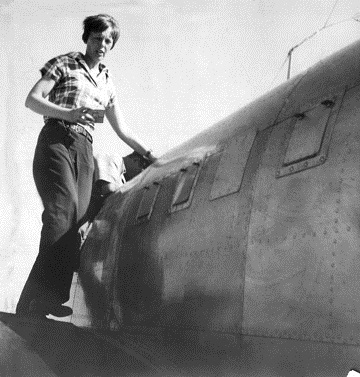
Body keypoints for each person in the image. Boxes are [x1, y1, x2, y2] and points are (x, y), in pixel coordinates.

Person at [16, 14, 157, 318]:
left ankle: (31, 300)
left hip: (85, 147)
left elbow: (123, 130)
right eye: (97, 37)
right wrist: (67, 113)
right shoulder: (65, 63)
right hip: (57, 138)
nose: (102, 44)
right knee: (62, 209)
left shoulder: (107, 82)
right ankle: (47, 296)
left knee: (76, 219)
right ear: (87, 38)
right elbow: (33, 99)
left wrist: (149, 154)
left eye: (108, 40)